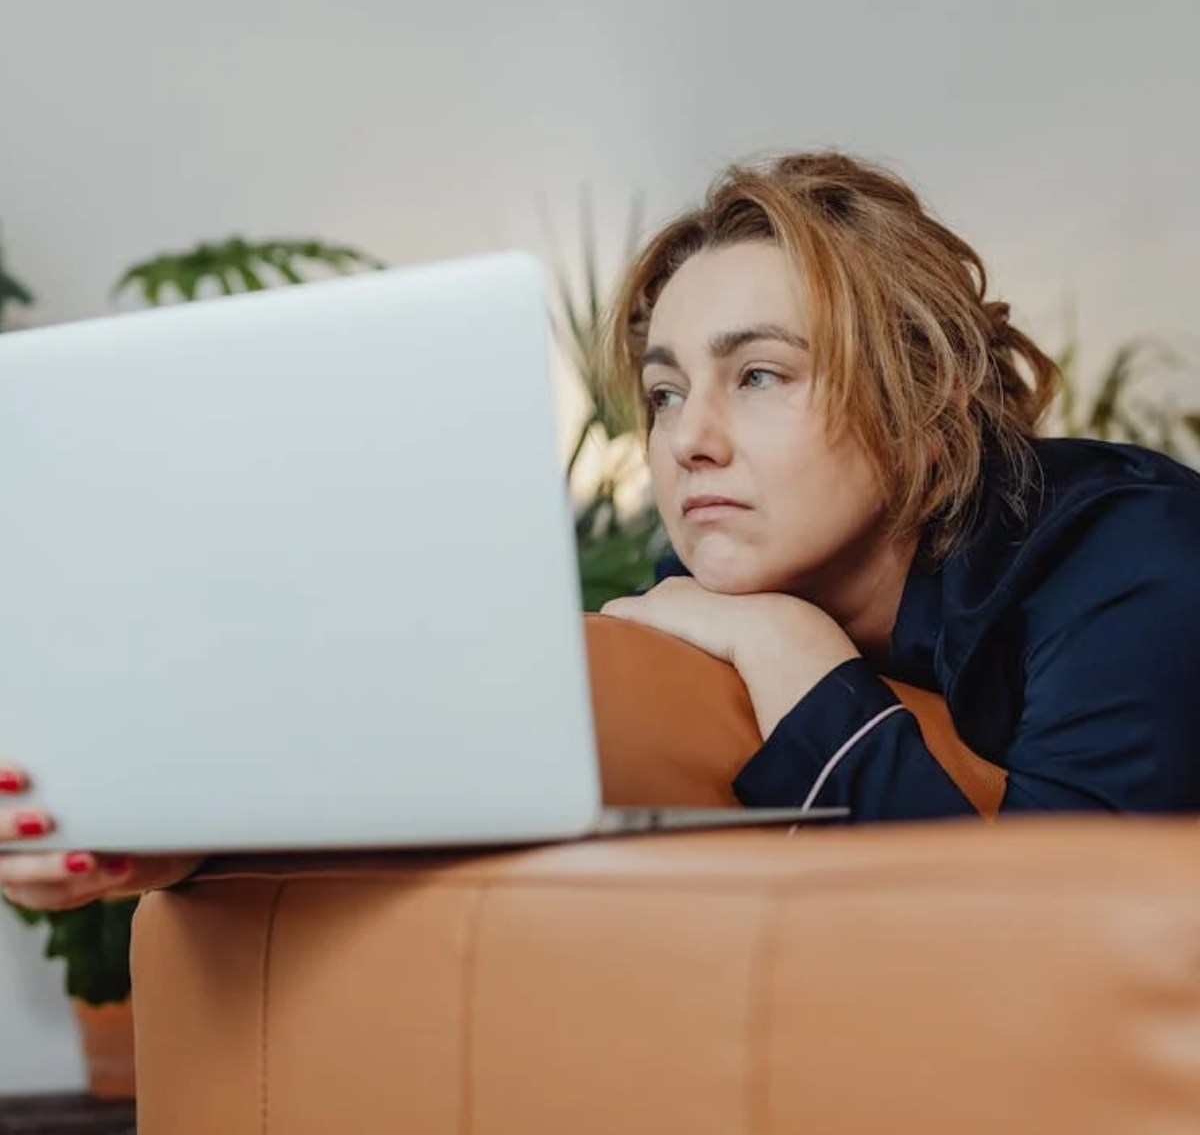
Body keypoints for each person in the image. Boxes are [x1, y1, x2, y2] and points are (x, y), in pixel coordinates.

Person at [4, 151, 1200, 915]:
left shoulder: (1125, 564)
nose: (687, 440)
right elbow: (495, 800)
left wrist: (798, 662)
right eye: (668, 391)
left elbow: (1050, 948)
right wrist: (187, 846)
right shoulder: (703, 584)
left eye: (763, 376)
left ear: (918, 397)